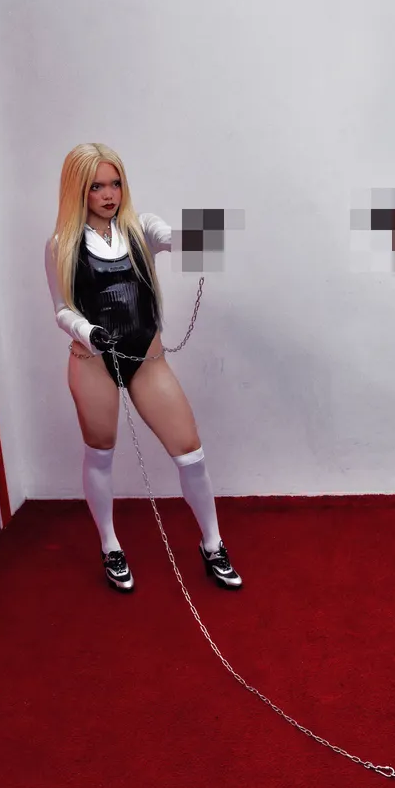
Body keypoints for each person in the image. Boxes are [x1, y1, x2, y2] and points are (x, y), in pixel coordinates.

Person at [45, 142, 242, 594]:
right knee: (100, 452)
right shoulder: (61, 244)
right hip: (92, 361)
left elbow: (177, 238)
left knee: (189, 451)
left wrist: (215, 227)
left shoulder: (141, 228)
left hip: (147, 360)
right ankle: (110, 544)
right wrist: (87, 331)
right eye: (97, 187)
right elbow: (60, 309)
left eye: (115, 184)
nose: (108, 195)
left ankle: (212, 543)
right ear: (78, 190)